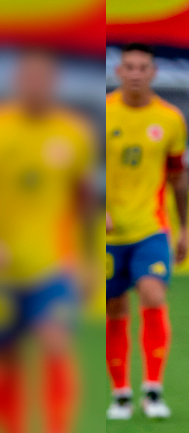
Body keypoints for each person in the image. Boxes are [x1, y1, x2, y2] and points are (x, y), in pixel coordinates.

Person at [0, 49, 93, 433]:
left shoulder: (73, 133)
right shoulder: (3, 128)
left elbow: (82, 200)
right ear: (18, 82)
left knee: (55, 341)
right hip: (6, 270)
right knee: (8, 356)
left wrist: (87, 259)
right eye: (29, 77)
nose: (36, 85)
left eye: (43, 78)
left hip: (53, 264)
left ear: (53, 83)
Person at [105, 43, 189, 420]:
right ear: (119, 72)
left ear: (153, 72)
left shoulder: (170, 119)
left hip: (150, 227)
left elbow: (179, 175)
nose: (136, 73)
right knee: (113, 307)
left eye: (143, 67)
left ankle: (153, 389)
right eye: (130, 66)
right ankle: (120, 394)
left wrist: (185, 227)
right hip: (106, 235)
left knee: (153, 294)